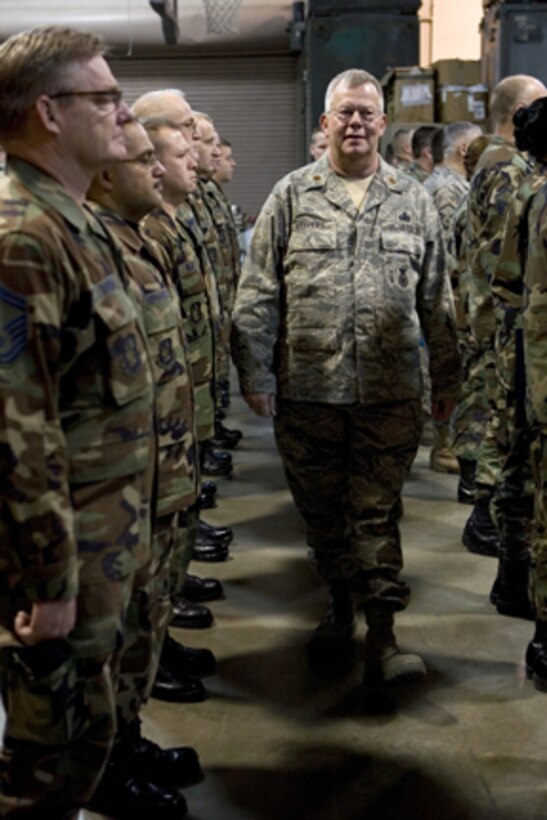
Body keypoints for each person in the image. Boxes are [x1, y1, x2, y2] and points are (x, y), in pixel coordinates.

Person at [231, 68, 461, 687]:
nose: (355, 123)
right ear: (326, 123)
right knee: (324, 515)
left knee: (377, 514)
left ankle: (383, 631)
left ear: (383, 124)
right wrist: (256, 372)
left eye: (366, 113)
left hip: (390, 394)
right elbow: (258, 293)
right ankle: (338, 604)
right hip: (308, 392)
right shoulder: (291, 196)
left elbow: (439, 299)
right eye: (344, 113)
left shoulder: (413, 200)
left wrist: (448, 381)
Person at [0, 26, 156, 818]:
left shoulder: (75, 219)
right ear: (49, 113)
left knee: (84, 737)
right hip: (65, 559)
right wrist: (48, 577)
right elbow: (18, 428)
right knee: (48, 760)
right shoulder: (23, 236)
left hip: (105, 539)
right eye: (104, 98)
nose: (120, 113)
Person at [86, 117, 210, 817]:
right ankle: (107, 767)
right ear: (108, 175)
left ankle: (126, 741)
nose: (158, 172)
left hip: (159, 478)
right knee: (117, 638)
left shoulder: (136, 241)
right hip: (123, 490)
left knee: (143, 625)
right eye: (144, 162)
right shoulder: (90, 249)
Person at [463, 74, 546, 566]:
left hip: (506, 318)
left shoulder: (500, 164)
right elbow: (504, 259)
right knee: (505, 429)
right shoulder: (506, 168)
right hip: (507, 322)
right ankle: (486, 520)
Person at [485, 98, 547, 621]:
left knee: (518, 467)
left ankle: (513, 580)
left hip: (521, 347)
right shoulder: (529, 190)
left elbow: (502, 279)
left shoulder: (529, 191)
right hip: (531, 352)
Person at [424, 121, 482, 476]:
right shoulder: (448, 190)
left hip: (456, 298)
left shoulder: (453, 184)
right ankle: (447, 446)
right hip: (452, 299)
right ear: (464, 149)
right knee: (453, 373)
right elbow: (447, 256)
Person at [450, 134, 494, 506]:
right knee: (478, 400)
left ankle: (472, 479)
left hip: (469, 314)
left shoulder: (467, 208)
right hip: (477, 317)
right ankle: (471, 481)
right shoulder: (474, 210)